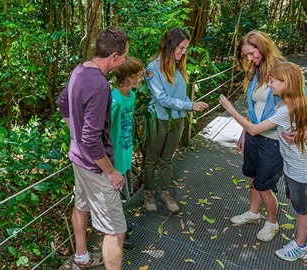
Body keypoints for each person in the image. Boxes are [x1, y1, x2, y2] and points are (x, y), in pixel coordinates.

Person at [219, 62, 307, 262]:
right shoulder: (288, 102)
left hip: (301, 168)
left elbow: (255, 129)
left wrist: (230, 108)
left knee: (301, 208)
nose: (269, 84)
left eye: (273, 81)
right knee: (300, 203)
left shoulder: (285, 109)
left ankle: (300, 246)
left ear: (287, 83)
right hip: (295, 165)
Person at [230, 30, 307, 242]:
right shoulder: (257, 70)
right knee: (252, 176)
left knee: (264, 183)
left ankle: (272, 222)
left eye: (252, 53)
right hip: (254, 135)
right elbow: (255, 107)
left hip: (274, 140)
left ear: (262, 46)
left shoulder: (282, 70)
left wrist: (305, 131)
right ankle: (253, 212)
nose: (250, 59)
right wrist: (245, 132)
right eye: (246, 56)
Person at [56, 26, 129, 270]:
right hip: (95, 167)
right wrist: (111, 172)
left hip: (78, 159)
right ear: (114, 57)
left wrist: (74, 133)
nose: (126, 60)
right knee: (116, 231)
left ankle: (81, 257)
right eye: (125, 55)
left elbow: (62, 102)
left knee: (81, 206)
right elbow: (90, 138)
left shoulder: (80, 69)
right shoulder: (99, 85)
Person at [143, 28, 208, 213]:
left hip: (177, 119)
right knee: (152, 159)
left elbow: (181, 95)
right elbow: (162, 99)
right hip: (159, 120)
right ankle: (148, 193)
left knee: (167, 159)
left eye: (186, 48)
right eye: (180, 48)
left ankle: (165, 192)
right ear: (169, 45)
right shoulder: (153, 68)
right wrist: (189, 106)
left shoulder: (179, 67)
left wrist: (191, 103)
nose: (183, 52)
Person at [111, 56, 145, 248]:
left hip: (125, 155)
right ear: (129, 77)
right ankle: (118, 235)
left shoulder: (131, 96)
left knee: (122, 197)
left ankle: (120, 224)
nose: (141, 79)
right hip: (113, 160)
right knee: (113, 199)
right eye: (139, 76)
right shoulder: (113, 100)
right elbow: (102, 131)